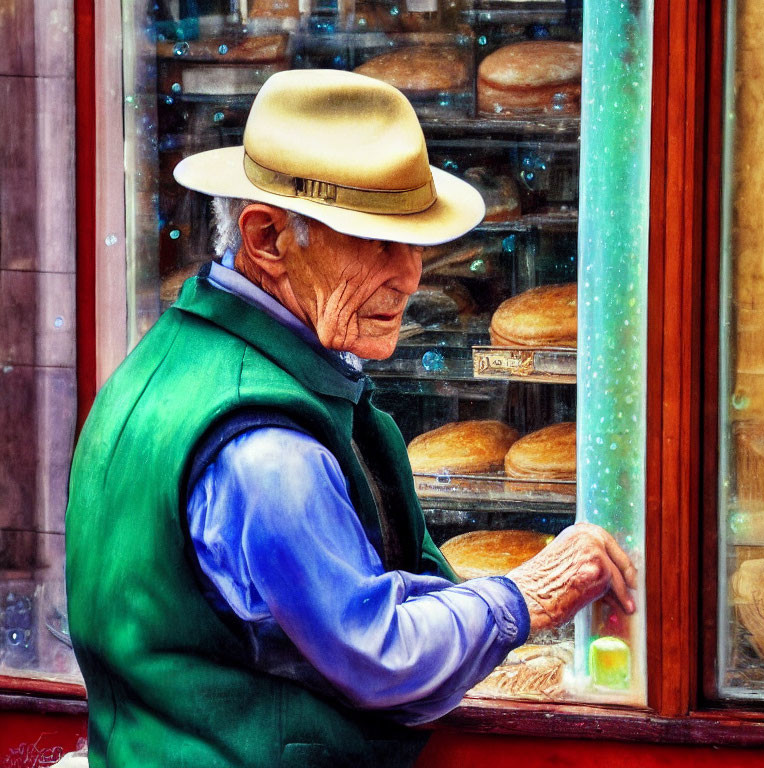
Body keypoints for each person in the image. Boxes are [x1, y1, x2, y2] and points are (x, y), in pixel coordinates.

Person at [66, 69, 636, 768]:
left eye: (415, 241)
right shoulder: (266, 451)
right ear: (268, 238)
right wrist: (529, 595)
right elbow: (381, 658)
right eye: (373, 241)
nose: (409, 274)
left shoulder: (177, 357)